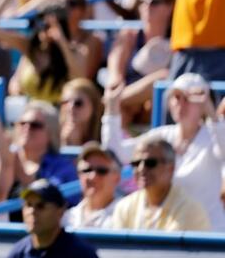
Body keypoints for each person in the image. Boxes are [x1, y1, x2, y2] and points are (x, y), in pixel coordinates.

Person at [102, 73, 225, 230]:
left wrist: (212, 113)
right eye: (176, 97)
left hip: (208, 232)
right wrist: (112, 106)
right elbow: (115, 152)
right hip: (167, 230)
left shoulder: (214, 135)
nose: (181, 103)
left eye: (189, 98)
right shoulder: (161, 135)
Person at [109, 137, 211, 232]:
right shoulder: (124, 207)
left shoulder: (191, 211)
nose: (141, 169)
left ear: (170, 168)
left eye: (150, 163)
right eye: (136, 163)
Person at [66, 142, 121, 229]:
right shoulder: (67, 218)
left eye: (101, 171)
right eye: (87, 170)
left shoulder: (126, 216)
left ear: (117, 178)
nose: (93, 177)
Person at [59, 78, 102, 146]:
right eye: (65, 102)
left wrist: (76, 144)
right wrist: (64, 142)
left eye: (78, 103)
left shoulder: (105, 136)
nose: (70, 107)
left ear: (94, 107)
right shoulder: (49, 135)